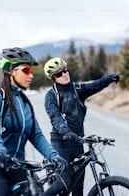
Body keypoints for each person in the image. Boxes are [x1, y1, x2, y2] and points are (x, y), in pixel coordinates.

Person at [0, 48, 67, 196]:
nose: (31, 75)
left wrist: (54, 156)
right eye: (26, 70)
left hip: (17, 164)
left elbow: (36, 135)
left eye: (31, 71)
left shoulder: (24, 104)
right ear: (11, 71)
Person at [43, 57, 120, 195]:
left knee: (78, 187)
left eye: (65, 70)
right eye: (59, 74)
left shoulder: (78, 89)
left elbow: (96, 84)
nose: (64, 74)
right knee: (64, 183)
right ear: (53, 78)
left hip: (77, 142)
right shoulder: (51, 96)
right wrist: (65, 131)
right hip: (61, 143)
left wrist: (110, 78)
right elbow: (55, 117)